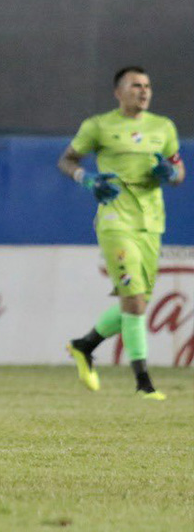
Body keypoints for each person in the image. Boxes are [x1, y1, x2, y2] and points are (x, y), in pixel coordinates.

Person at [59, 66, 183, 400]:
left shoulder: (163, 127)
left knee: (138, 302)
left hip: (151, 222)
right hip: (115, 220)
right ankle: (144, 383)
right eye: (135, 85)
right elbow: (67, 160)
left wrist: (170, 172)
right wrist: (85, 178)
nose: (143, 91)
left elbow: (179, 171)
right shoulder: (98, 126)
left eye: (147, 86)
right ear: (118, 92)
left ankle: (84, 346)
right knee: (133, 300)